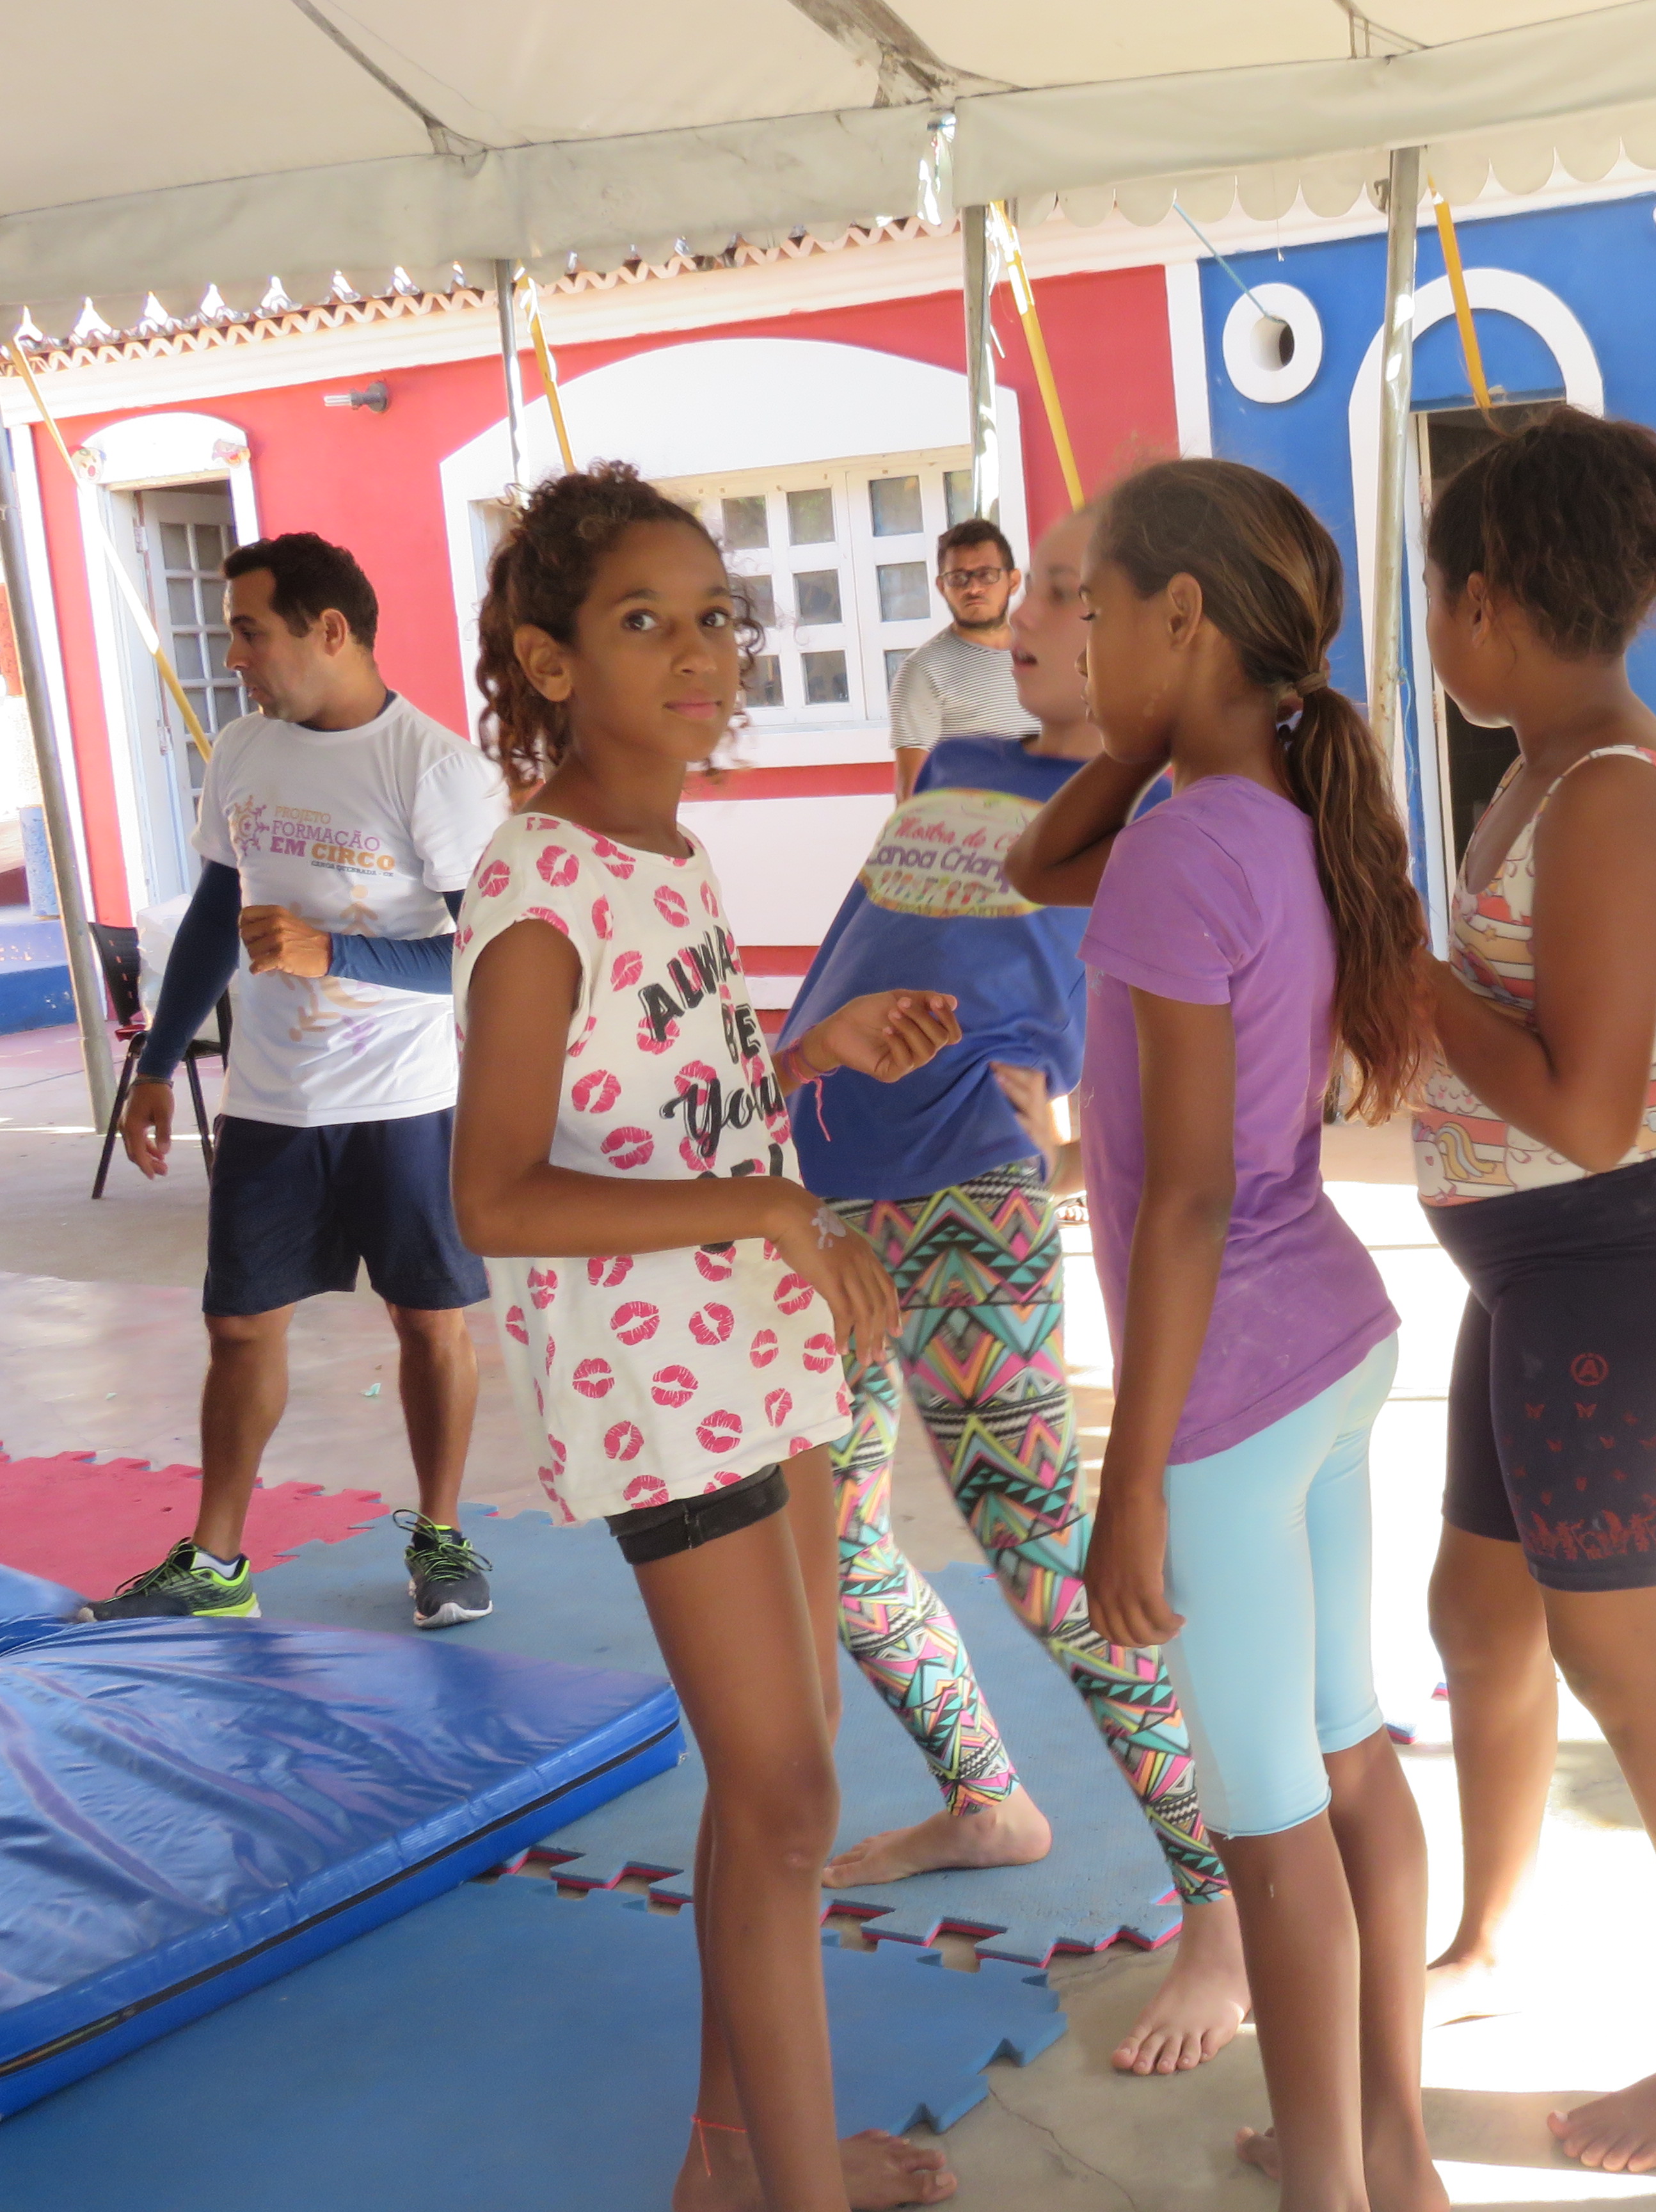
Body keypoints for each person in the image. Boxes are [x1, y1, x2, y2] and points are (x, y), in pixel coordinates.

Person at [450, 462, 966, 2212]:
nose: (698, 653)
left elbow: (661, 1096)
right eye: (643, 621)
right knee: (790, 1791)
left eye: (715, 617)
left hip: (765, 1352)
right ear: (549, 662)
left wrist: (811, 1056)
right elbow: (496, 1195)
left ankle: (734, 2153)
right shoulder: (538, 892)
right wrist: (766, 1207)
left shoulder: (670, 853)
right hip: (660, 1397)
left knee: (781, 1779)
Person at [1003, 459, 1442, 2212]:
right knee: (1348, 1752)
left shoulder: (1185, 852)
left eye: (1098, 609)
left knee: (1269, 1823)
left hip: (1235, 1392)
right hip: (1330, 1336)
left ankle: (1332, 2183)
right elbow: (1037, 856)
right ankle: (1389, 2147)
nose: (1075, 641)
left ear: (1183, 616)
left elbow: (1181, 1199)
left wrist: (1130, 1487)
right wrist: (1165, 721)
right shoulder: (1264, 814)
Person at [780, 504, 1253, 2076]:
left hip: (965, 1193)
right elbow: (860, 947)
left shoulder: (1151, 810)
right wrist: (793, 1070)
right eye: (1031, 590)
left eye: (1062, 592)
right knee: (838, 1549)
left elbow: (1146, 997)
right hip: (824, 1187)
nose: (1027, 616)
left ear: (1152, 627)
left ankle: (1225, 1905)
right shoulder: (960, 764)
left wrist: (1059, 1100)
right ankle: (989, 1799)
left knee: (1051, 1568)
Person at [1403, 409, 1656, 2176]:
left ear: (1485, 598)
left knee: (1635, 1667)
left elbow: (1590, 1104)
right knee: (1479, 1617)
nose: (1432, 635)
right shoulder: (1548, 769)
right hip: (1542, 1262)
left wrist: (1413, 983)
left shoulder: (1612, 794)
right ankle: (1488, 1939)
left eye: (1433, 600)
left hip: (1610, 1261)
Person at [98, 532, 504, 1631]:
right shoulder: (243, 750)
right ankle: (216, 1563)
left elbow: (492, 956)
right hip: (272, 1101)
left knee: (430, 1324)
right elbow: (213, 916)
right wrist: (156, 1064)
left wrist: (338, 953)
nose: (232, 654)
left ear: (329, 631)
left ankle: (442, 1534)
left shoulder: (435, 770)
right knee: (238, 1328)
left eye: (248, 630)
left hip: (407, 1101)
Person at [889, 518, 1037, 796]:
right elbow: (911, 794)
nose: (974, 588)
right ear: (941, 587)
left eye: (987, 575)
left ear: (1013, 581)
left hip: (1063, 818)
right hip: (975, 822)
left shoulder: (1049, 654)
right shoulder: (923, 671)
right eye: (958, 578)